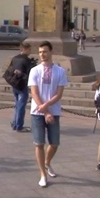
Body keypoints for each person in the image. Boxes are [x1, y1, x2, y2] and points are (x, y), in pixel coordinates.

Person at [28, 41, 68, 187]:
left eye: (44, 51)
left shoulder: (60, 71)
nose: (42, 55)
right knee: (39, 143)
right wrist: (44, 111)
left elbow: (59, 94)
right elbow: (34, 92)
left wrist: (47, 107)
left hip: (54, 111)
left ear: (51, 52)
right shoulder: (35, 70)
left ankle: (47, 162)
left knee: (54, 142)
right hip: (37, 112)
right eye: (40, 52)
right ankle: (43, 174)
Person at [7, 42, 34, 132]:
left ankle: (15, 124)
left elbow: (10, 70)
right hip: (22, 85)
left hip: (14, 84)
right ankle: (19, 126)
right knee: (21, 106)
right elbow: (29, 74)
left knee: (17, 105)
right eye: (29, 49)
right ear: (24, 49)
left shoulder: (15, 58)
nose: (30, 51)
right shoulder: (26, 60)